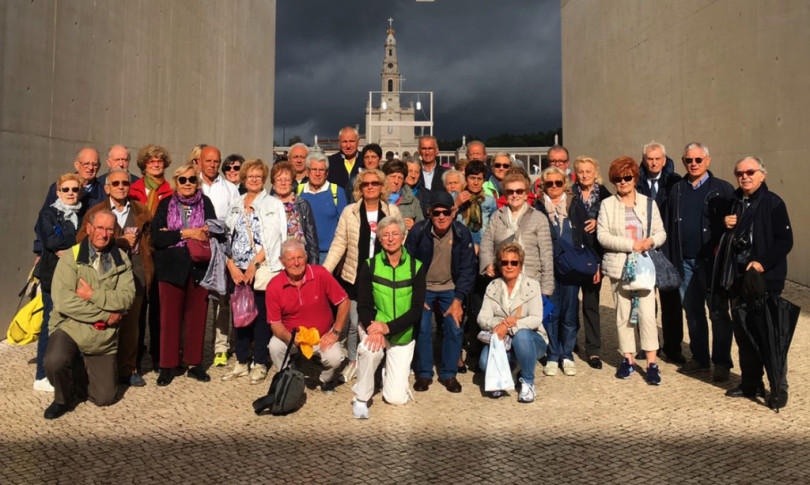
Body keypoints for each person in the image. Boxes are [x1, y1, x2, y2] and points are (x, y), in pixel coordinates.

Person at [43, 210, 135, 419]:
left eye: (109, 229)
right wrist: (105, 314)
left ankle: (79, 371)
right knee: (54, 361)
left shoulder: (121, 260)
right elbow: (64, 302)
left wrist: (92, 294)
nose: (103, 234)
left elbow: (126, 298)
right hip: (71, 327)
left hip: (103, 336)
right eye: (100, 228)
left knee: (104, 398)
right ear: (89, 228)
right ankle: (62, 399)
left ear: (115, 232)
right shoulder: (71, 257)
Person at [721, 156, 793, 408]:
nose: (744, 176)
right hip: (738, 278)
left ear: (762, 175)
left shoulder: (774, 203)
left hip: (765, 280)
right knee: (744, 334)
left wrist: (762, 262)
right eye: (739, 172)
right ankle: (751, 383)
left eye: (750, 172)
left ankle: (778, 388)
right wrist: (726, 225)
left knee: (771, 336)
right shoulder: (734, 202)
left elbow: (785, 242)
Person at [663, 142, 735, 381]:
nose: (693, 164)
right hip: (685, 261)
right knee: (692, 312)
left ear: (708, 160)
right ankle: (700, 359)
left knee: (718, 312)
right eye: (688, 160)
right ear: (683, 162)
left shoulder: (723, 189)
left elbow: (735, 224)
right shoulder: (678, 189)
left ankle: (722, 362)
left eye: (698, 160)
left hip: (711, 263)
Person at [323, 169, 402, 382]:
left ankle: (381, 363)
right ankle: (353, 361)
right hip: (356, 275)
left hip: (385, 276)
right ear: (359, 188)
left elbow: (400, 242)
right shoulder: (350, 212)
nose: (370, 187)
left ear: (382, 187)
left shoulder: (392, 211)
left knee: (382, 319)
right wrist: (325, 272)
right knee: (355, 321)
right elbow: (340, 242)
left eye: (374, 183)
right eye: (365, 184)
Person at [77, 169, 153, 387]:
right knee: (102, 321)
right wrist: (119, 242)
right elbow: (82, 241)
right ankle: (100, 368)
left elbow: (150, 244)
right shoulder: (95, 211)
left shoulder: (141, 210)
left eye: (125, 183)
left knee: (131, 326)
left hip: (135, 273)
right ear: (107, 188)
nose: (121, 186)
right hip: (104, 275)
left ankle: (128, 369)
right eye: (116, 183)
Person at [597, 157, 667, 384]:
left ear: (635, 178)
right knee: (624, 316)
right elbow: (602, 235)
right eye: (617, 179)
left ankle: (652, 363)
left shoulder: (648, 203)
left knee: (647, 315)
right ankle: (627, 359)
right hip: (619, 267)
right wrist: (630, 245)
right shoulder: (607, 205)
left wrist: (648, 242)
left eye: (627, 177)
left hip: (644, 267)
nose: (622, 182)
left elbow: (661, 233)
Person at [150, 163, 217, 386]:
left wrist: (177, 234)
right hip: (170, 268)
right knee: (169, 319)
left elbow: (212, 232)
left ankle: (194, 363)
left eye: (191, 180)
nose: (187, 184)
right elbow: (156, 239)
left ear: (196, 183)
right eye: (182, 180)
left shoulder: (205, 203)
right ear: (176, 182)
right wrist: (187, 233)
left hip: (198, 267)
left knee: (197, 318)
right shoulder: (165, 204)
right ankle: (167, 366)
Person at [353, 216, 426, 418]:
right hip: (375, 326)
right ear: (380, 239)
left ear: (403, 237)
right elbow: (364, 305)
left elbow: (416, 310)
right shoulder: (369, 265)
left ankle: (388, 373)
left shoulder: (416, 267)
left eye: (395, 234)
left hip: (402, 333)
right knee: (369, 351)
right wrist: (374, 328)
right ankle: (361, 397)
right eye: (385, 235)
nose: (391, 239)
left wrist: (388, 328)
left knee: (395, 398)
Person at [221, 159, 286, 384]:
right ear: (244, 179)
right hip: (237, 268)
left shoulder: (273, 204)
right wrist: (231, 265)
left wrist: (253, 266)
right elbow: (227, 236)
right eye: (250, 176)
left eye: (258, 176)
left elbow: (276, 238)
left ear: (264, 179)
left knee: (260, 318)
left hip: (261, 268)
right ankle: (240, 360)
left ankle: (259, 362)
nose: (254, 180)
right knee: (240, 316)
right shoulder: (236, 203)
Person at [405, 191, 477, 393]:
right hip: (425, 287)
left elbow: (468, 269)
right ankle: (424, 373)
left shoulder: (462, 234)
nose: (442, 217)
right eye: (437, 213)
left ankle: (449, 374)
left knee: (454, 327)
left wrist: (459, 298)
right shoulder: (418, 232)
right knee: (423, 328)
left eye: (446, 212)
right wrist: (417, 294)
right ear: (429, 213)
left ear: (453, 212)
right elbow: (409, 264)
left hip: (450, 287)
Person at [267, 239, 349, 393]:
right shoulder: (274, 285)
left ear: (306, 257)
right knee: (274, 347)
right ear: (282, 261)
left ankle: (326, 379)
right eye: (291, 259)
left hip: (322, 334)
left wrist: (335, 332)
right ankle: (288, 376)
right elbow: (275, 323)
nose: (296, 263)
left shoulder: (320, 274)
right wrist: (287, 336)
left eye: (300, 257)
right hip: (291, 335)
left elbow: (344, 301)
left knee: (335, 357)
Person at [536, 166, 595, 377]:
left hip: (571, 267)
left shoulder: (575, 204)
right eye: (549, 183)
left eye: (558, 183)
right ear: (544, 185)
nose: (553, 187)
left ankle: (567, 354)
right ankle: (552, 354)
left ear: (565, 184)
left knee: (570, 313)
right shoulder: (538, 206)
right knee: (552, 313)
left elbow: (588, 232)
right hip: (548, 268)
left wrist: (594, 262)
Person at [477, 242, 548, 403]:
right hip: (502, 340)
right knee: (483, 362)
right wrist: (501, 323)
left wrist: (511, 325)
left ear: (520, 265)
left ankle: (528, 382)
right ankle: (505, 375)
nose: (509, 266)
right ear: (499, 265)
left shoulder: (532, 286)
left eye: (514, 262)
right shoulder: (492, 287)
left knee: (522, 336)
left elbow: (536, 318)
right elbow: (482, 318)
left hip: (532, 340)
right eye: (505, 262)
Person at [33, 173, 84, 392]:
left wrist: (70, 248)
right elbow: (52, 241)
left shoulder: (82, 214)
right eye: (66, 190)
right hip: (52, 276)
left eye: (74, 190)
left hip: (75, 276)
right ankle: (42, 376)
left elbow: (90, 241)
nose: (70, 194)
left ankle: (69, 371)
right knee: (50, 323)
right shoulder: (48, 213)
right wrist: (77, 245)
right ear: (58, 191)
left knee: (73, 322)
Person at [636, 141, 685, 364]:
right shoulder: (635, 182)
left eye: (658, 159)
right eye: (650, 159)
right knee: (644, 301)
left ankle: (673, 348)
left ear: (664, 160)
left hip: (668, 249)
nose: (654, 163)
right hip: (643, 248)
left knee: (671, 301)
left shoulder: (675, 182)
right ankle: (648, 345)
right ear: (644, 160)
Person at [129, 144, 173, 371]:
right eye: (151, 161)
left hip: (161, 255)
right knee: (137, 309)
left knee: (159, 310)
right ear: (144, 165)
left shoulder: (171, 191)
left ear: (165, 164)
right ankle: (133, 361)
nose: (155, 164)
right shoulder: (132, 189)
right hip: (138, 254)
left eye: (159, 160)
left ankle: (159, 358)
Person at [194, 145, 239, 368]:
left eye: (216, 161)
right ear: (199, 162)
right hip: (196, 248)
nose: (212, 165)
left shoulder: (230, 188)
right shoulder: (192, 184)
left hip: (221, 248)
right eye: (208, 161)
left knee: (222, 300)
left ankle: (220, 347)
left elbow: (234, 219)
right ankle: (193, 347)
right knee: (197, 299)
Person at [480, 171, 554, 296]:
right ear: (505, 194)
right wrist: (487, 264)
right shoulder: (497, 216)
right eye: (510, 191)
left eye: (519, 191)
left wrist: (546, 289)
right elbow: (486, 242)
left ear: (526, 194)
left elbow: (546, 255)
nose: (515, 195)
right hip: (502, 281)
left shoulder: (539, 218)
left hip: (530, 281)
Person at [571, 156, 611, 369]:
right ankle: (569, 344)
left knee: (591, 304)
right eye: (581, 171)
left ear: (596, 172)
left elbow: (613, 224)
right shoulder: (569, 194)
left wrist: (600, 221)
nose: (585, 175)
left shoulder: (606, 197)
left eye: (588, 171)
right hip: (572, 256)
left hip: (594, 257)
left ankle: (593, 350)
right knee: (569, 304)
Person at [34, 148, 106, 257]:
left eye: (94, 164)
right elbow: (43, 224)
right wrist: (40, 253)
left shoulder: (103, 194)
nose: (90, 168)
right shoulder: (60, 187)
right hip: (55, 254)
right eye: (86, 164)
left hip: (88, 254)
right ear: (76, 165)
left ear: (99, 166)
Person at [297, 151, 348, 264]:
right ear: (307, 172)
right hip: (303, 253)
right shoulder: (298, 191)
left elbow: (345, 225)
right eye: (314, 169)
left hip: (329, 254)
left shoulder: (337, 192)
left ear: (327, 173)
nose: (317, 174)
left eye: (321, 170)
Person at [270, 161, 319, 265]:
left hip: (299, 261)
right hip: (274, 262)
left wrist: (314, 265)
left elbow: (312, 239)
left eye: (287, 180)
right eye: (279, 180)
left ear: (292, 183)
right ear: (273, 184)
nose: (283, 183)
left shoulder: (302, 204)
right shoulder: (267, 206)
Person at [383, 159, 423, 230]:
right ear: (384, 177)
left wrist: (414, 226)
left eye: (400, 178)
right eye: (393, 177)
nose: (396, 181)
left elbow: (423, 227)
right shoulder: (375, 198)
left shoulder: (412, 200)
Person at [327, 126, 362, 198]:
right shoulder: (330, 162)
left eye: (351, 141)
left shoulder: (366, 161)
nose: (348, 145)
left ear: (358, 142)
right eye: (344, 142)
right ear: (339, 142)